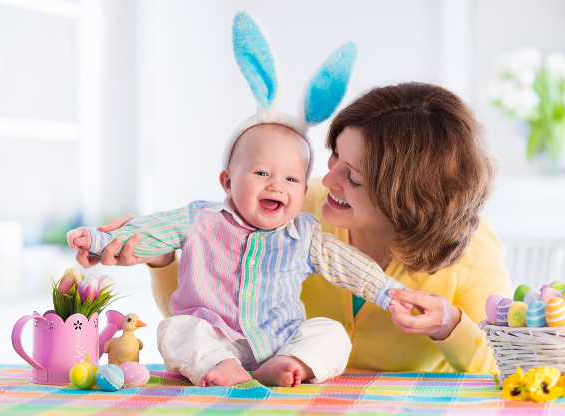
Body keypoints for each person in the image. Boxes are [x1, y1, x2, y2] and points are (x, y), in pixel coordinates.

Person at [77, 82, 513, 374]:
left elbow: (511, 370)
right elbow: (197, 312)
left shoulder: (469, 248)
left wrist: (449, 326)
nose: (329, 180)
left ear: (407, 198)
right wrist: (162, 257)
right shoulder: (290, 204)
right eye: (334, 156)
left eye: (354, 177)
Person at [68, 122, 406, 387]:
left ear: (303, 191)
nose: (276, 185)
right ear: (228, 182)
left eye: (291, 178)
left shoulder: (305, 234)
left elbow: (350, 266)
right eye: (261, 173)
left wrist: (389, 293)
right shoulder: (199, 218)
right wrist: (98, 239)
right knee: (175, 329)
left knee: (331, 334)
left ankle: (290, 365)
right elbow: (149, 230)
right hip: (214, 337)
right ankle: (221, 365)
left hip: (282, 341)